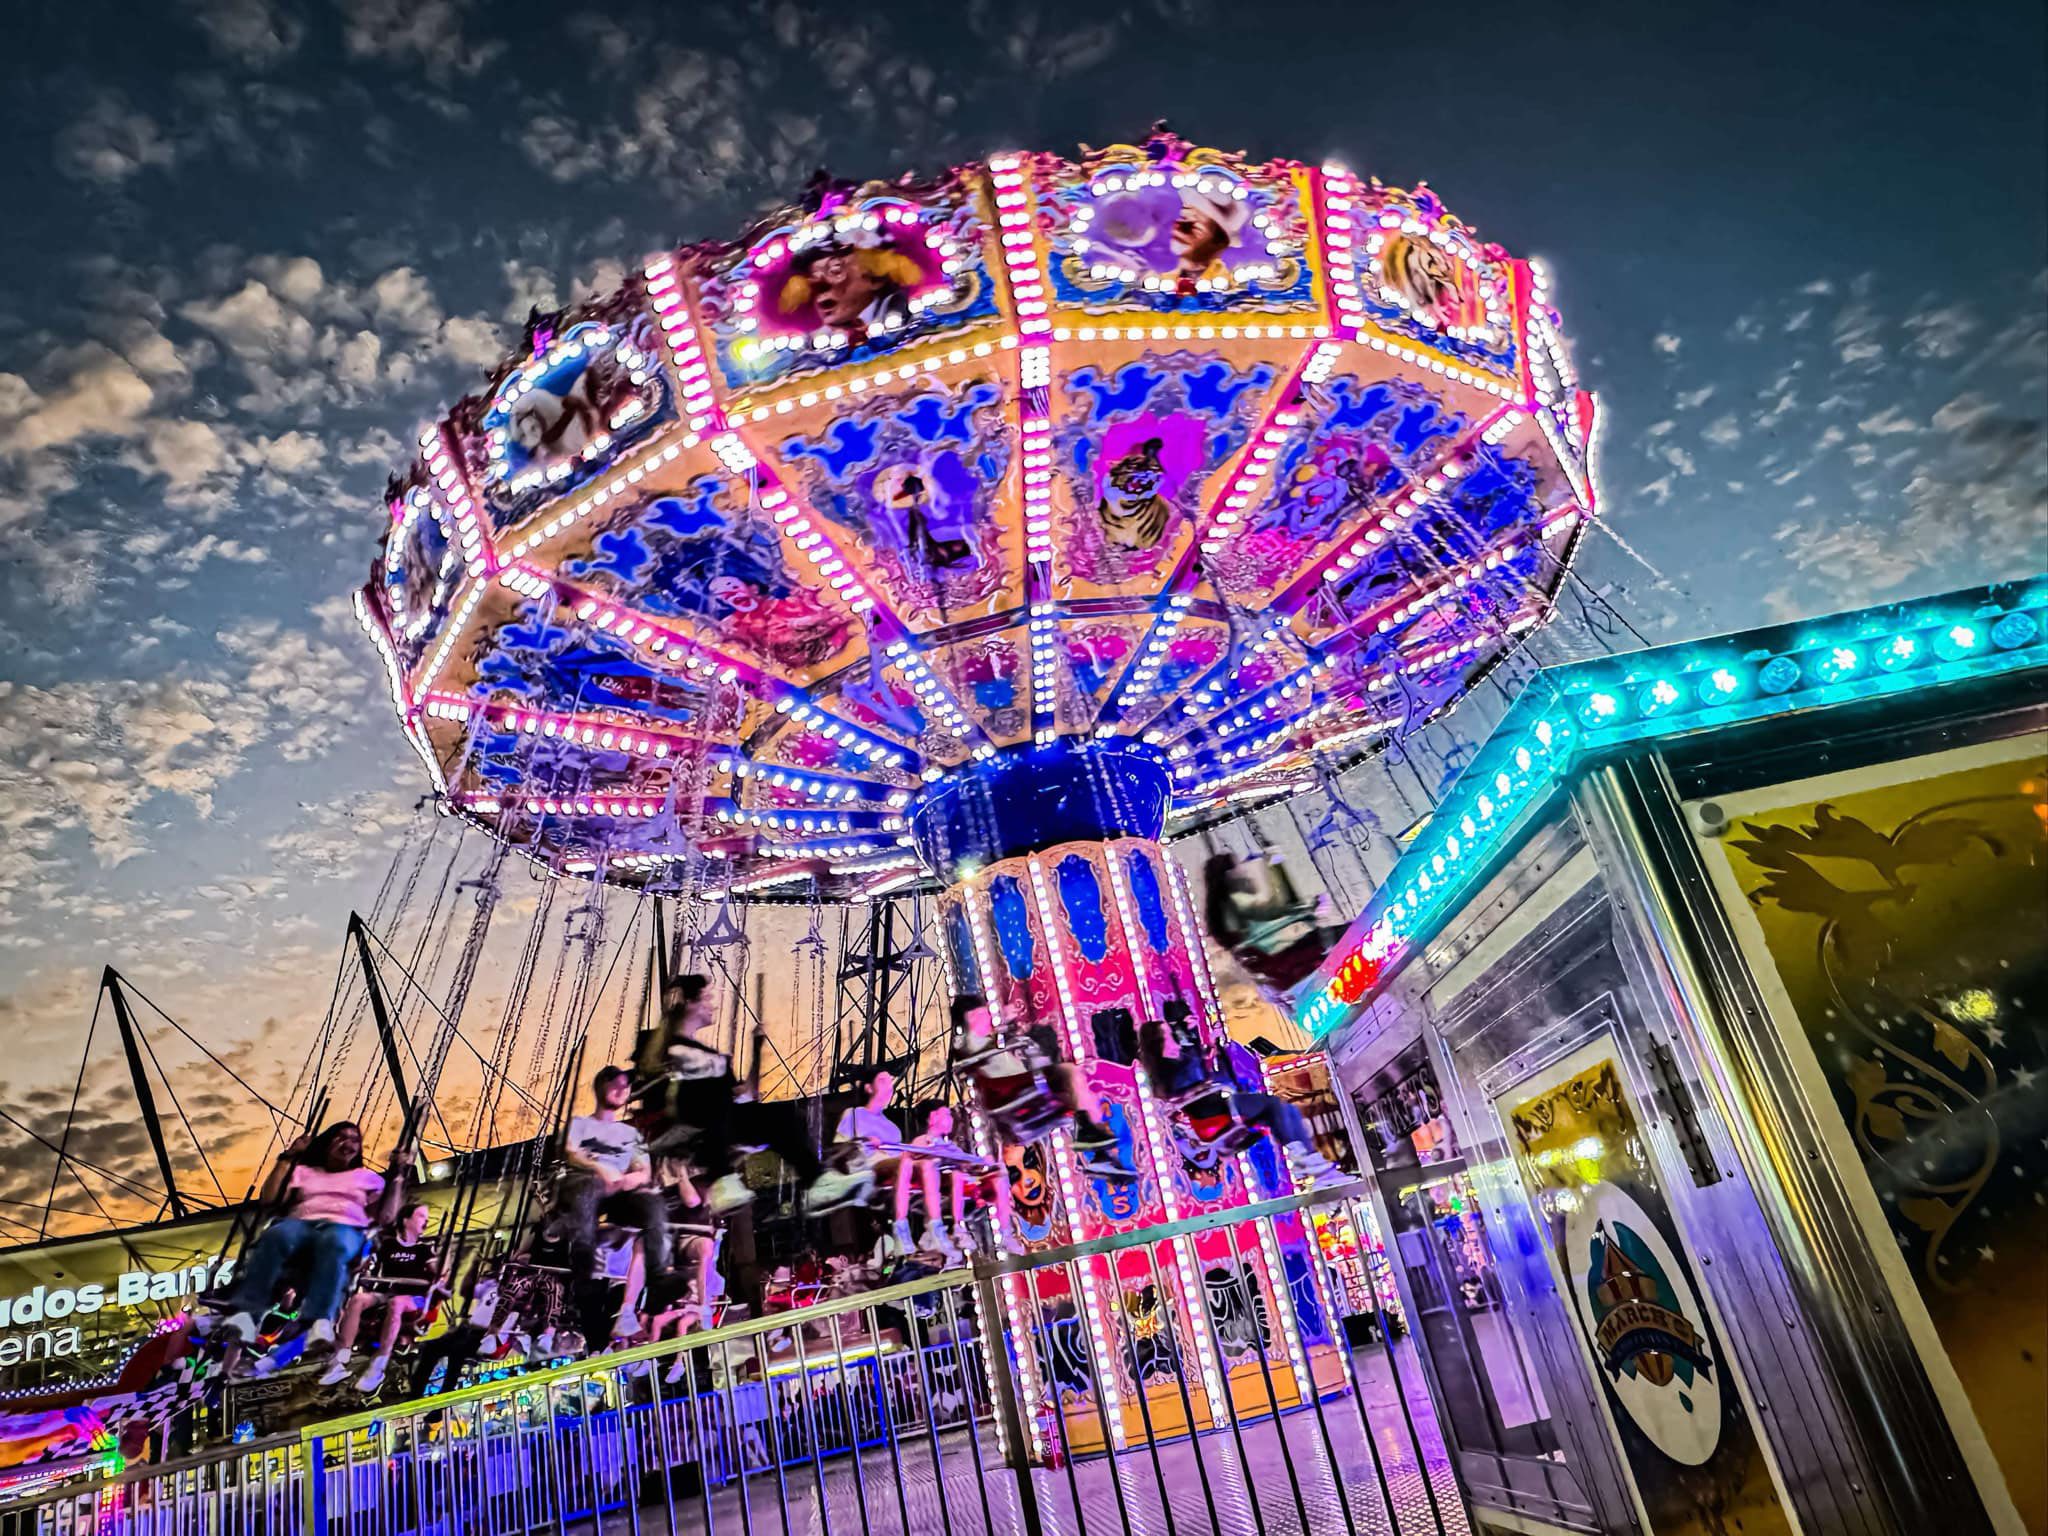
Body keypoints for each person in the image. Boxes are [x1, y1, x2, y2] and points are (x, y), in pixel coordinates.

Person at [641, 975, 871, 1216]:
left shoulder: (706, 1055)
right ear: (689, 1003)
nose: (713, 1005)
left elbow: (746, 1094)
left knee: (778, 1113)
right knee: (711, 1098)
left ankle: (817, 1181)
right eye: (707, 998)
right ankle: (722, 1180)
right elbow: (681, 1089)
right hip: (689, 1123)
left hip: (720, 1122)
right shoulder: (667, 1049)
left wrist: (756, 1051)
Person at [216, 1121, 399, 1350]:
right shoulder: (304, 1172)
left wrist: (398, 1176)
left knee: (333, 1240)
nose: (348, 1143)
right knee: (276, 1236)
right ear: (326, 1143)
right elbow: (271, 1199)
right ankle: (246, 1313)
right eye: (341, 1137)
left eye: (355, 1140)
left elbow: (386, 1217)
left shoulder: (366, 1178)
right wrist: (288, 1158)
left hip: (344, 1227)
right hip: (302, 1225)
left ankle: (320, 1317)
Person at [1139, 1013, 1337, 1187]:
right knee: (1274, 1106)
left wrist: (1203, 1047)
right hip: (1212, 1111)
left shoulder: (1173, 1063)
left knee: (1286, 1110)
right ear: (1158, 1041)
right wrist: (1197, 1041)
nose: (1172, 1035)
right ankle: (1308, 1161)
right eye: (1166, 1033)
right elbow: (1196, 1078)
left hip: (1213, 1105)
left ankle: (1308, 1160)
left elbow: (1200, 1073)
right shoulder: (1167, 1068)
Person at [950, 995, 1133, 1179]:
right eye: (986, 1013)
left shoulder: (991, 1043)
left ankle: (1101, 1155)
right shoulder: (968, 1042)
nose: (990, 1017)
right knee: (1069, 1073)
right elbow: (965, 1049)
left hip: (1022, 1094)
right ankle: (1098, 1149)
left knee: (1081, 1094)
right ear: (972, 1016)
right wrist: (1002, 1022)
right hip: (1013, 1095)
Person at [551, 1065, 669, 1343]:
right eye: (615, 1085)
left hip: (618, 1190)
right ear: (600, 1087)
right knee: (588, 1188)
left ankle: (652, 1285)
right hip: (585, 1184)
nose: (621, 1090)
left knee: (652, 1204)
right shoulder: (581, 1124)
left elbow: (643, 1170)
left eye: (625, 1087)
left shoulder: (630, 1134)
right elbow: (571, 1152)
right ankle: (585, 1271)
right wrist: (599, 1167)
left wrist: (631, 1178)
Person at [319, 1201, 443, 1394]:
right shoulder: (387, 1245)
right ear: (405, 1220)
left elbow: (437, 1274)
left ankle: (379, 1364)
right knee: (357, 1301)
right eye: (421, 1217)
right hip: (388, 1292)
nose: (425, 1222)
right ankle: (340, 1359)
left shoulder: (424, 1249)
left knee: (397, 1302)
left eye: (427, 1218)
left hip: (413, 1299)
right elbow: (368, 1265)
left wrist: (441, 1276)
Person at [835, 1069, 959, 1262]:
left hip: (895, 1167)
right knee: (911, 1159)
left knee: (927, 1165)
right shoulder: (854, 1115)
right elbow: (840, 1147)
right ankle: (901, 1226)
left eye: (891, 1081)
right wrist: (863, 1140)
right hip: (868, 1167)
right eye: (883, 1080)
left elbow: (901, 1158)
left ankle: (934, 1228)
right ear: (869, 1088)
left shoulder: (892, 1129)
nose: (890, 1085)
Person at [1203, 851, 1333, 995]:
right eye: (1237, 869)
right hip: (1297, 957)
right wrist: (1313, 907)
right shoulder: (1235, 901)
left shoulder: (1220, 911)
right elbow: (1275, 919)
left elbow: (1278, 914)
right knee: (1357, 933)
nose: (1242, 873)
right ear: (1227, 874)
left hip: (1286, 970)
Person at [911, 1100, 1010, 1255]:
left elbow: (965, 1162)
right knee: (956, 1176)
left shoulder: (948, 1145)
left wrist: (981, 1164)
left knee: (999, 1177)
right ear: (932, 1118)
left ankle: (1006, 1233)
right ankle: (957, 1227)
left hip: (963, 1187)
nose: (950, 1119)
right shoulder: (921, 1142)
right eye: (946, 1115)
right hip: (937, 1188)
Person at [779, 237, 920, 335]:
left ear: (875, 278)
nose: (817, 285)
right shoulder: (813, 348)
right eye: (811, 276)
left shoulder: (911, 319)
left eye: (835, 270)